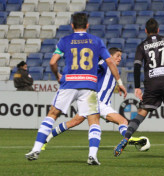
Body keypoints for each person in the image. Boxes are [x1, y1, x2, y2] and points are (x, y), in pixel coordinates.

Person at [25, 13, 127, 165]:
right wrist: (120, 83)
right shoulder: (96, 41)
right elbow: (110, 63)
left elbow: (53, 62)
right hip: (89, 85)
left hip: (69, 83)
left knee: (52, 114)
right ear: (87, 25)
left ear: (72, 25)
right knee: (94, 120)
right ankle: (92, 156)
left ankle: (36, 149)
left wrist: (57, 75)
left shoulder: (64, 40)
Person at [113, 18, 164, 159]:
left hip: (152, 84)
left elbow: (136, 66)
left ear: (146, 31)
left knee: (141, 113)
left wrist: (136, 87)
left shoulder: (142, 46)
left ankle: (126, 138)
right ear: (158, 30)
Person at [41, 48, 141, 150]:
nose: (120, 58)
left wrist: (118, 86)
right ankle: (129, 139)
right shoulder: (104, 63)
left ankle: (46, 138)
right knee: (123, 121)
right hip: (97, 101)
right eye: (117, 56)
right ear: (110, 56)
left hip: (98, 103)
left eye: (120, 56)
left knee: (74, 121)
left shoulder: (115, 70)